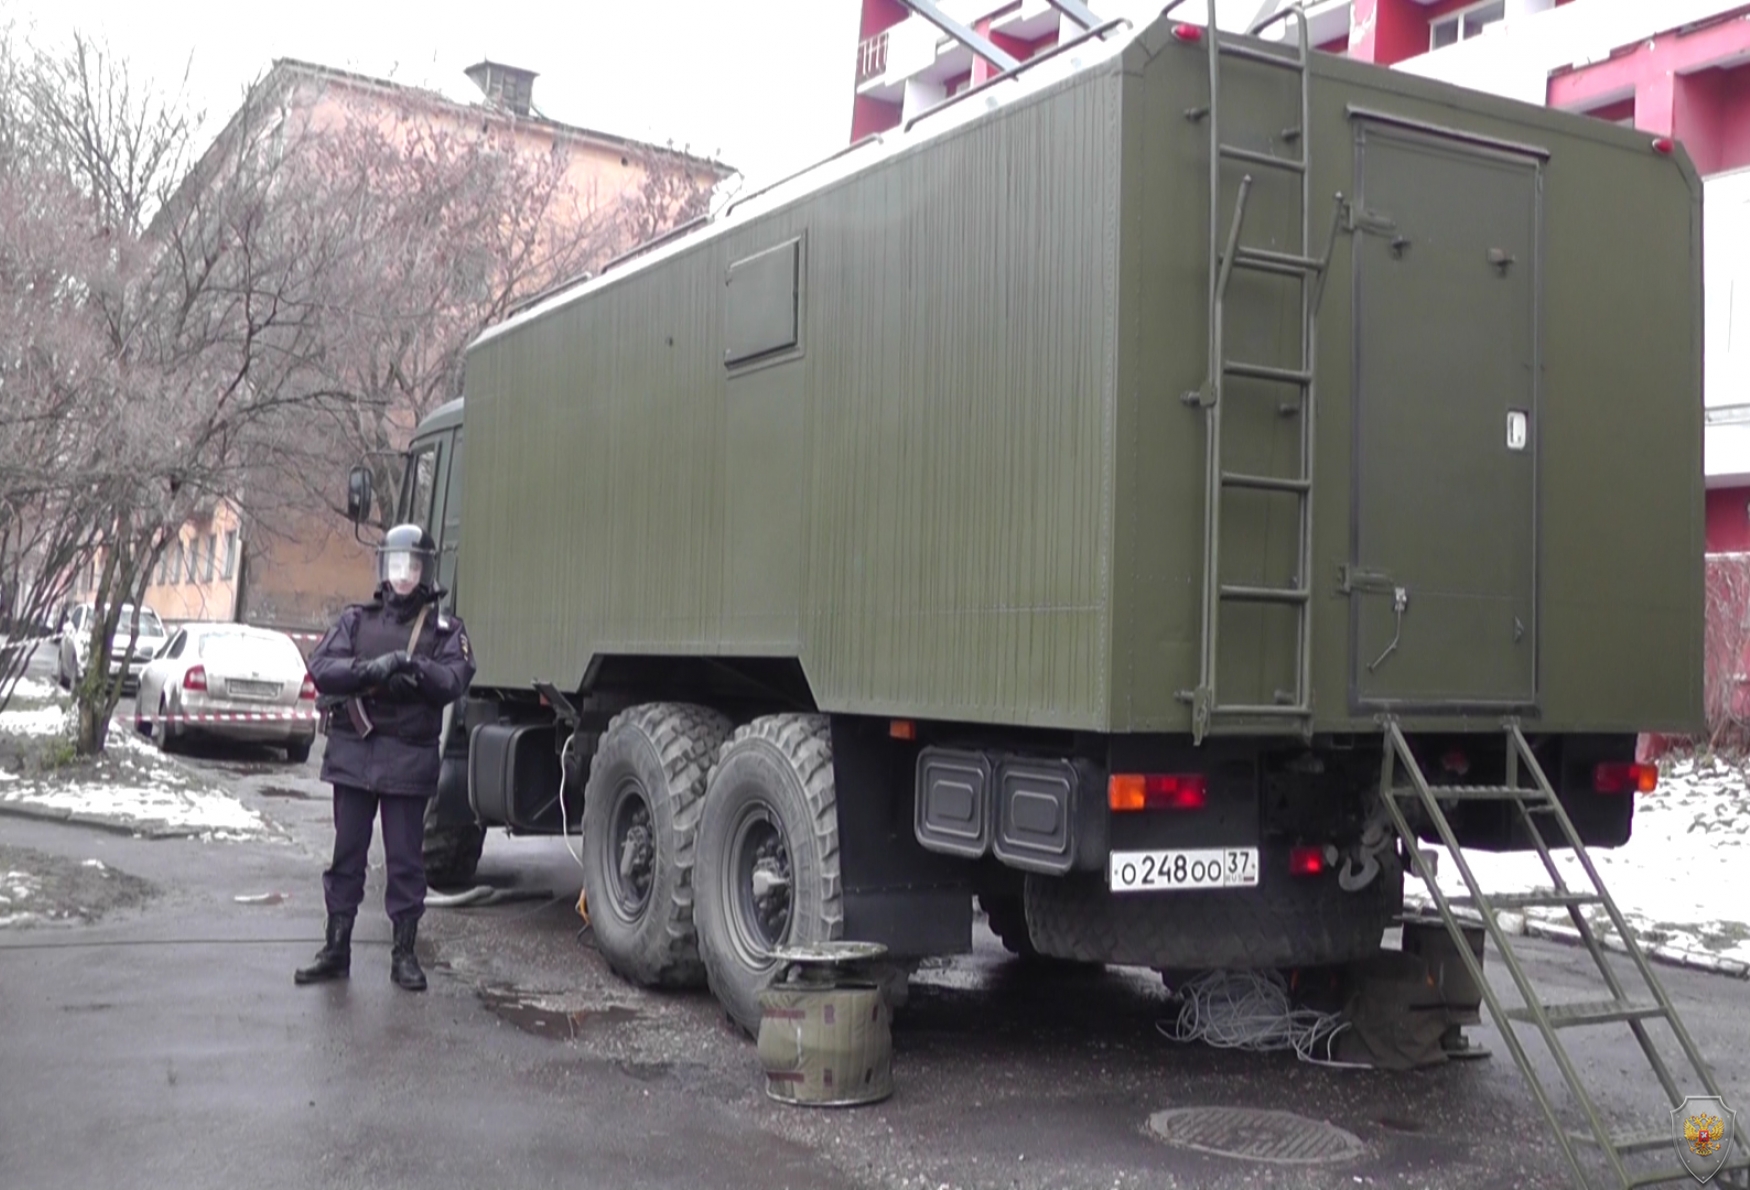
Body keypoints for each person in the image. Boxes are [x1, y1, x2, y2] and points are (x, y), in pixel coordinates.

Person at [294, 523, 476, 991]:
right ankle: (336, 948)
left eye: (413, 566)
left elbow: (456, 678)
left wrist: (413, 667)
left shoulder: (444, 629)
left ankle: (404, 954)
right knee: (346, 857)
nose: (404, 576)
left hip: (408, 760)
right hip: (355, 755)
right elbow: (320, 667)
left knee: (405, 863)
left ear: (425, 570)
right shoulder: (358, 620)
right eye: (397, 565)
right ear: (384, 567)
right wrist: (367, 671)